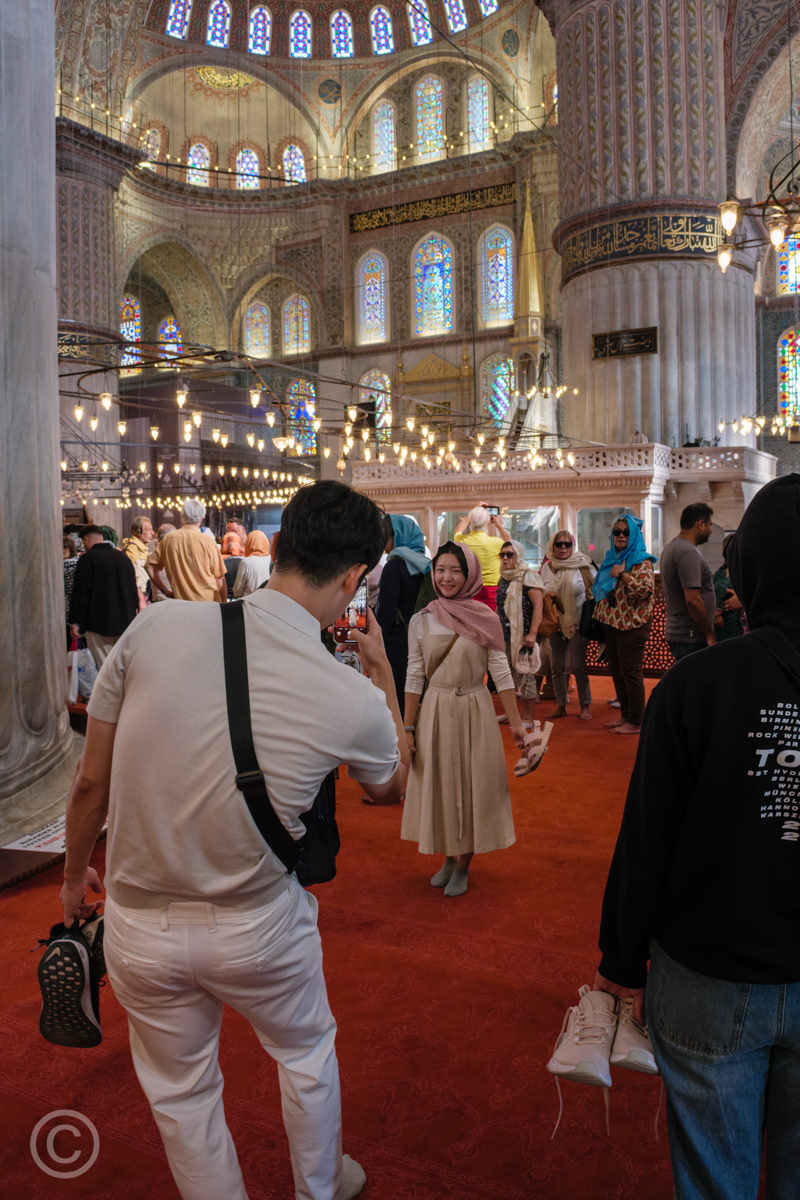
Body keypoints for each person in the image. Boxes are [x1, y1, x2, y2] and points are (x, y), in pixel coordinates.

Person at [59, 479, 410, 1200]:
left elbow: (89, 783)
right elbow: (392, 787)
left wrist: (70, 880)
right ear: (353, 579)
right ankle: (320, 1188)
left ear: (276, 548)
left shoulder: (156, 629)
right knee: (306, 1052)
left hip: (138, 926)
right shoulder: (350, 697)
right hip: (256, 926)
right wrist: (382, 676)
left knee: (183, 1097)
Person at [593, 474, 800, 1200]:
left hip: (711, 974)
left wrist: (620, 956)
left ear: (751, 569)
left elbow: (650, 834)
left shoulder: (697, 685)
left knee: (717, 1178)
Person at [401, 542, 524, 898]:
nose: (447, 577)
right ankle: (449, 857)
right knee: (440, 784)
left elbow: (501, 673)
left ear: (469, 573)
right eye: (440, 569)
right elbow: (414, 676)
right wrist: (408, 727)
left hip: (474, 707)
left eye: (456, 570)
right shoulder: (421, 619)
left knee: (473, 787)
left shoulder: (485, 618)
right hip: (435, 711)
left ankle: (465, 863)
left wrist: (517, 724)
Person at [593, 516, 657, 735]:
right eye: (617, 532)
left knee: (631, 673)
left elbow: (644, 590)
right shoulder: (612, 558)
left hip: (633, 625)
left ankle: (637, 721)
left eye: (626, 532)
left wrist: (624, 575)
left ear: (634, 536)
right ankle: (626, 716)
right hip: (613, 624)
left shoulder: (641, 561)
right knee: (618, 672)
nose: (621, 536)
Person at [539, 531, 595, 720]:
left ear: (573, 546)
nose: (563, 548)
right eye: (559, 544)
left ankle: (585, 706)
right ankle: (561, 705)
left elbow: (594, 590)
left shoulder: (583, 565)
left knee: (578, 665)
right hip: (555, 623)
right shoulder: (548, 567)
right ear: (552, 547)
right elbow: (542, 591)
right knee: (556, 666)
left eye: (567, 544)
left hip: (578, 623)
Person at [376, 514, 430, 703]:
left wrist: (378, 644)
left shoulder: (395, 566)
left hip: (398, 640)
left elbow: (386, 612)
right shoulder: (423, 565)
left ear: (398, 536)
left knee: (397, 695)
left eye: (385, 535)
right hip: (422, 637)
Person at [68, 524, 139, 666]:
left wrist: (75, 621)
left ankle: (111, 689)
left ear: (86, 539)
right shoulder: (123, 558)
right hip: (125, 620)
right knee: (123, 665)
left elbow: (81, 593)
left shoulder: (88, 559)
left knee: (105, 668)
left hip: (98, 623)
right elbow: (133, 589)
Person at [659, 501, 716, 660]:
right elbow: (693, 599)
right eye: (710, 525)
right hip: (690, 635)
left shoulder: (673, 547)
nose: (711, 531)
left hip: (684, 634)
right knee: (695, 683)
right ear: (700, 524)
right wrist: (709, 634)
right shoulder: (687, 552)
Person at [495, 540, 544, 725]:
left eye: (510, 554)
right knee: (508, 677)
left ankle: (528, 719)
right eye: (503, 555)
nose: (506, 558)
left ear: (519, 556)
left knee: (527, 675)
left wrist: (532, 634)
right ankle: (512, 714)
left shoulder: (528, 576)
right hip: (505, 636)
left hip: (524, 636)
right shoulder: (504, 578)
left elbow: (538, 606)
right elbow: (500, 608)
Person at [146, 498, 227, 603]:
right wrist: (224, 604)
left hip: (181, 604)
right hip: (208, 603)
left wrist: (165, 591)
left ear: (182, 516)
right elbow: (220, 579)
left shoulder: (168, 539)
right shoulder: (208, 541)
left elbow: (149, 566)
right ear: (202, 517)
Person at [453, 504, 510, 609]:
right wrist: (499, 525)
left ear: (470, 522)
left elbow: (457, 531)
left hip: (470, 589)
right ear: (488, 522)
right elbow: (512, 544)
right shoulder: (496, 543)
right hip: (492, 591)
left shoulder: (462, 541)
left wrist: (472, 512)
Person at [713, 533, 745, 641]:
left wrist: (722, 609)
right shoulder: (719, 573)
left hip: (739, 626)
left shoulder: (745, 572)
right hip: (720, 627)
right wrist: (716, 614)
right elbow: (711, 595)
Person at [122, 516, 154, 611]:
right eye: (148, 530)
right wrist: (141, 600)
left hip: (146, 593)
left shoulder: (142, 548)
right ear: (137, 531)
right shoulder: (133, 549)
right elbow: (135, 577)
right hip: (141, 596)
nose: (152, 533)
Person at [233, 530, 272, 597]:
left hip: (249, 604)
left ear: (249, 543)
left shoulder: (246, 562)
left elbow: (237, 591)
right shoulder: (273, 561)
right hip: (268, 603)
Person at [147, 523, 176, 602]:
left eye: (158, 538)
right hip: (158, 600)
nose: (155, 541)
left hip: (175, 600)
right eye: (154, 538)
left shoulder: (177, 556)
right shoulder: (151, 556)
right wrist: (165, 591)